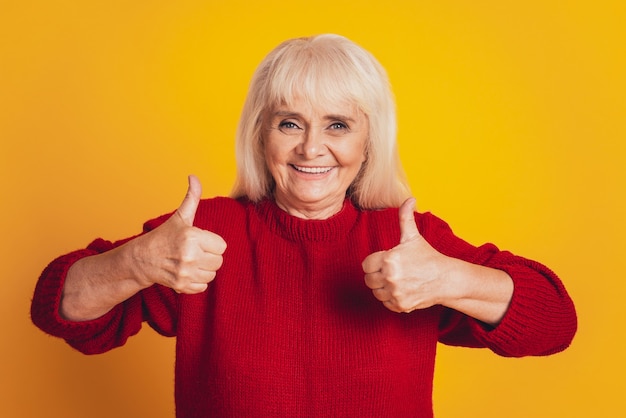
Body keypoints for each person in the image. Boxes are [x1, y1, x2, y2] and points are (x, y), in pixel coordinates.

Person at [31, 34, 577, 417]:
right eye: (289, 123)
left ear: (369, 141)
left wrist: (450, 281)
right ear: (260, 135)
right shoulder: (203, 232)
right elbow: (59, 310)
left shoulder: (409, 243)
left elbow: (555, 323)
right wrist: (137, 261)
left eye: (338, 124)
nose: (312, 148)